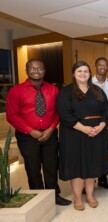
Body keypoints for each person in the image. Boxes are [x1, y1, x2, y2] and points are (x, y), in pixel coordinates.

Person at [6, 59, 71, 206]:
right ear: (26, 70)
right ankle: (38, 198)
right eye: (33, 69)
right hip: (27, 136)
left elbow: (57, 112)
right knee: (33, 167)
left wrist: (51, 128)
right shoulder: (16, 91)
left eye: (40, 69)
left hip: (50, 134)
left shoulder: (53, 90)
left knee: (51, 166)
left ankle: (54, 195)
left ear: (44, 71)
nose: (36, 71)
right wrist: (30, 130)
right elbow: (12, 115)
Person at [56, 60, 108, 210]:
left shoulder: (97, 91)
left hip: (96, 133)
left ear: (89, 73)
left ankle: (91, 196)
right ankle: (78, 198)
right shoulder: (66, 91)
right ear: (74, 73)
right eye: (79, 71)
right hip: (74, 133)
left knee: (92, 165)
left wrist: (100, 126)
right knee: (77, 166)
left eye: (85, 71)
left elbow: (107, 111)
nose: (83, 74)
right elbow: (64, 114)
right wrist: (84, 128)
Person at [91, 57, 108, 190]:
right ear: (95, 67)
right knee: (91, 153)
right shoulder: (89, 83)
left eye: (105, 65)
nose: (103, 67)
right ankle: (90, 180)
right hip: (92, 123)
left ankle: (103, 179)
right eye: (100, 65)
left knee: (105, 152)